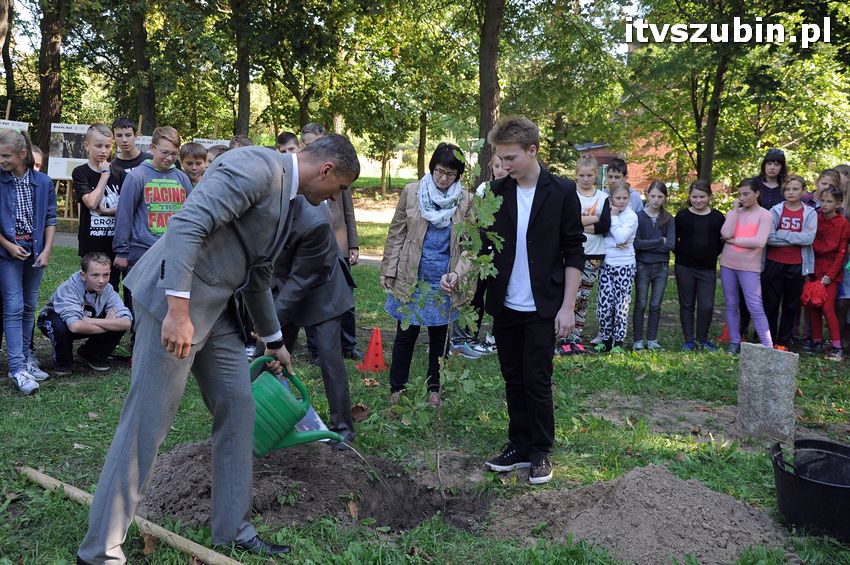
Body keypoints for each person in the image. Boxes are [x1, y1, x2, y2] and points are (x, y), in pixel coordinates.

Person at [76, 134, 360, 564]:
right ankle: (99, 551)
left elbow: (259, 272)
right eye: (339, 188)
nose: (335, 198)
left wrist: (276, 340)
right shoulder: (256, 168)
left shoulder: (289, 197)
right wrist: (176, 310)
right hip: (175, 304)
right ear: (326, 171)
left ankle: (233, 529)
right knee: (145, 426)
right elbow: (188, 225)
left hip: (220, 312)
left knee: (239, 408)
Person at [481, 117, 583, 485]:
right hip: (505, 304)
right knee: (512, 378)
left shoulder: (561, 191)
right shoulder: (496, 192)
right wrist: (458, 273)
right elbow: (481, 247)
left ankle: (540, 451)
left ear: (532, 151)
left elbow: (574, 251)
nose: (505, 166)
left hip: (543, 306)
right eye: (501, 159)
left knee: (536, 378)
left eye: (511, 158)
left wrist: (567, 306)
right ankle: (518, 446)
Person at [380, 142, 473, 408]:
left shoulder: (466, 201)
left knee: (439, 337)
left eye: (450, 174)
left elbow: (470, 246)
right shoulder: (412, 192)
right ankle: (397, 388)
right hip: (412, 277)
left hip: (444, 281)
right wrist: (389, 268)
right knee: (405, 333)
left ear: (458, 175)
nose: (443, 179)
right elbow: (397, 232)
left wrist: (458, 273)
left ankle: (435, 390)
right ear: (431, 168)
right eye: (440, 172)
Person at [273, 195, 356, 447]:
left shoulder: (314, 218)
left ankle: (343, 429)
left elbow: (301, 280)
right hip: (284, 284)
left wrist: (269, 324)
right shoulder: (263, 207)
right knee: (265, 356)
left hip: (323, 290)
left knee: (330, 359)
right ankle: (265, 417)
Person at [0, 129, 56, 394]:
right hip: (7, 253)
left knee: (29, 305)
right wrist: (9, 246)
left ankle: (26, 357)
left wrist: (46, 250)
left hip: (35, 252)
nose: (2, 160)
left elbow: (50, 218)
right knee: (13, 305)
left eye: (6, 156)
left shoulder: (43, 182)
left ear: (22, 155)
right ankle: (17, 368)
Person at [112, 127, 193, 274]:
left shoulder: (182, 178)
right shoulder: (137, 176)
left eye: (174, 154)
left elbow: (190, 214)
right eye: (165, 152)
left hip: (174, 251)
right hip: (143, 250)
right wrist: (121, 251)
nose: (169, 158)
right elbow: (124, 214)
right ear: (152, 148)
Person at [38, 253, 132, 374]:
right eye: (95, 275)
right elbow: (75, 326)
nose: (101, 280)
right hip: (57, 322)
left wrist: (90, 321)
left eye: (106, 275)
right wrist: (108, 325)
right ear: (83, 275)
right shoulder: (70, 288)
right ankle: (62, 362)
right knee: (60, 327)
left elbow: (126, 323)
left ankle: (92, 354)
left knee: (118, 320)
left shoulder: (108, 289)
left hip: (87, 321)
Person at [558, 155, 609, 356]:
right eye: (581, 175)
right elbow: (564, 224)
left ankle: (576, 336)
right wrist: (592, 219)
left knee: (583, 298)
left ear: (595, 175)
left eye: (589, 175)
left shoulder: (603, 198)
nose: (585, 179)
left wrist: (578, 223)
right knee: (570, 296)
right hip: (571, 254)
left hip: (593, 254)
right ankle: (563, 336)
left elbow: (604, 225)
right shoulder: (569, 194)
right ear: (576, 175)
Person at [720, 178, 774, 354]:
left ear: (757, 193)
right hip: (728, 263)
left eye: (746, 194)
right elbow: (725, 232)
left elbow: (759, 241)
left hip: (749, 267)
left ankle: (768, 346)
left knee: (755, 306)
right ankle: (734, 341)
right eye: (740, 194)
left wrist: (734, 241)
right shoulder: (734, 212)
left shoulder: (765, 215)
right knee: (730, 303)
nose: (742, 197)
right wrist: (736, 210)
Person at [763, 174, 816, 351]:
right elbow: (769, 238)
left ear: (803, 191)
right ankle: (769, 339)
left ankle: (783, 342)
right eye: (787, 189)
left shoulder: (809, 213)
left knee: (790, 304)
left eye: (795, 189)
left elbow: (809, 238)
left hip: (797, 264)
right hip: (774, 262)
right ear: (783, 191)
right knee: (771, 302)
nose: (791, 192)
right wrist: (795, 238)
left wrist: (783, 234)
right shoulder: (775, 211)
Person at [71, 124, 126, 291]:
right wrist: (104, 175)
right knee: (92, 289)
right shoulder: (80, 172)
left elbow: (128, 208)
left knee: (112, 288)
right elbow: (92, 203)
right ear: (87, 145)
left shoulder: (120, 173)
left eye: (108, 146)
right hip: (92, 244)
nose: (103, 150)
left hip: (114, 244)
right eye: (98, 145)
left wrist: (109, 211)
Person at [674, 180, 725, 351]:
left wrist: (710, 255)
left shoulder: (717, 217)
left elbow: (721, 242)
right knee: (687, 304)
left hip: (708, 268)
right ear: (689, 197)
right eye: (694, 197)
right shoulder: (682, 216)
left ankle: (702, 339)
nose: (698, 200)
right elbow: (674, 240)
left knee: (706, 305)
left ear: (709, 197)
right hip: (685, 267)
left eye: (702, 197)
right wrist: (682, 256)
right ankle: (689, 340)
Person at [595, 181, 639, 353]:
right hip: (607, 265)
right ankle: (605, 340)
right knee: (604, 306)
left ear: (629, 198)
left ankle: (618, 342)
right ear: (611, 198)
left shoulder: (631, 217)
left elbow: (621, 238)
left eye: (625, 198)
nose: (621, 201)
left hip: (625, 266)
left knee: (621, 306)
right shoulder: (605, 212)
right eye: (618, 198)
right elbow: (601, 235)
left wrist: (613, 219)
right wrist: (613, 243)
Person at [808, 186, 849, 360]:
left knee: (827, 307)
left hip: (831, 270)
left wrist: (829, 276)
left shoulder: (843, 224)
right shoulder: (815, 218)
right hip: (813, 266)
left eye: (829, 201)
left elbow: (841, 253)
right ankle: (816, 342)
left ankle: (837, 346)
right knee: (812, 304)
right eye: (822, 200)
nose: (824, 204)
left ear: (838, 203)